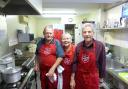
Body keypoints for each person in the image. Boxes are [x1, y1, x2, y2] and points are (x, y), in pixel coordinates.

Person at [70, 23, 106, 89]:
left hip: (93, 79)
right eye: (84, 32)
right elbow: (74, 63)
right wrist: (72, 79)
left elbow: (102, 63)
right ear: (82, 34)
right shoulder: (78, 46)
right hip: (80, 78)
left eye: (89, 32)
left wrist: (101, 80)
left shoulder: (100, 46)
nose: (87, 34)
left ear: (93, 33)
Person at [35, 25, 64, 89]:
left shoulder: (56, 43)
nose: (49, 35)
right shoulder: (40, 43)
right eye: (47, 33)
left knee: (52, 86)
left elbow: (60, 57)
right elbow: (37, 54)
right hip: (42, 71)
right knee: (43, 86)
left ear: (53, 34)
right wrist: (36, 64)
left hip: (53, 70)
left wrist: (52, 69)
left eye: (50, 33)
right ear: (44, 34)